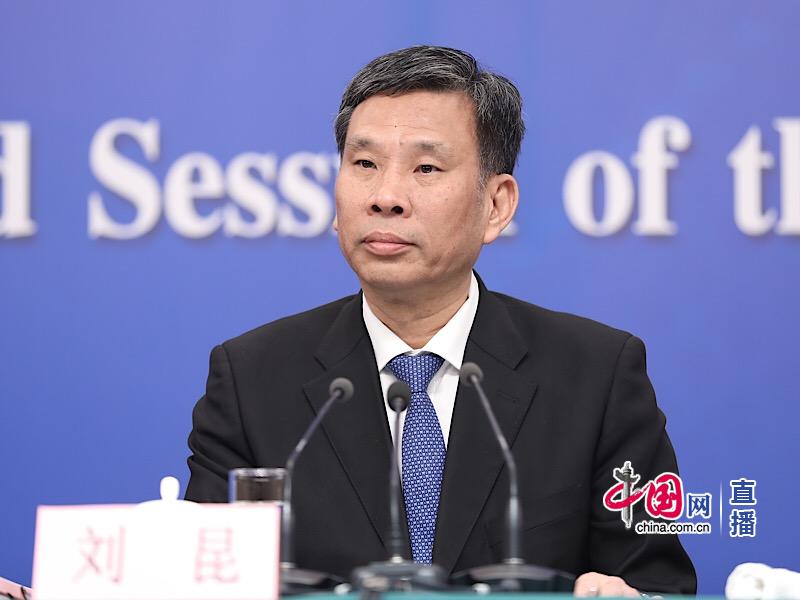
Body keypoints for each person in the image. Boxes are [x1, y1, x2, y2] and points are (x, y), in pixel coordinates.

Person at [185, 45, 696, 595]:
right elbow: (202, 581)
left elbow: (658, 582)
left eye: (426, 168)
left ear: (496, 205)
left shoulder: (597, 375)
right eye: (364, 164)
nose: (386, 197)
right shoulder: (251, 379)